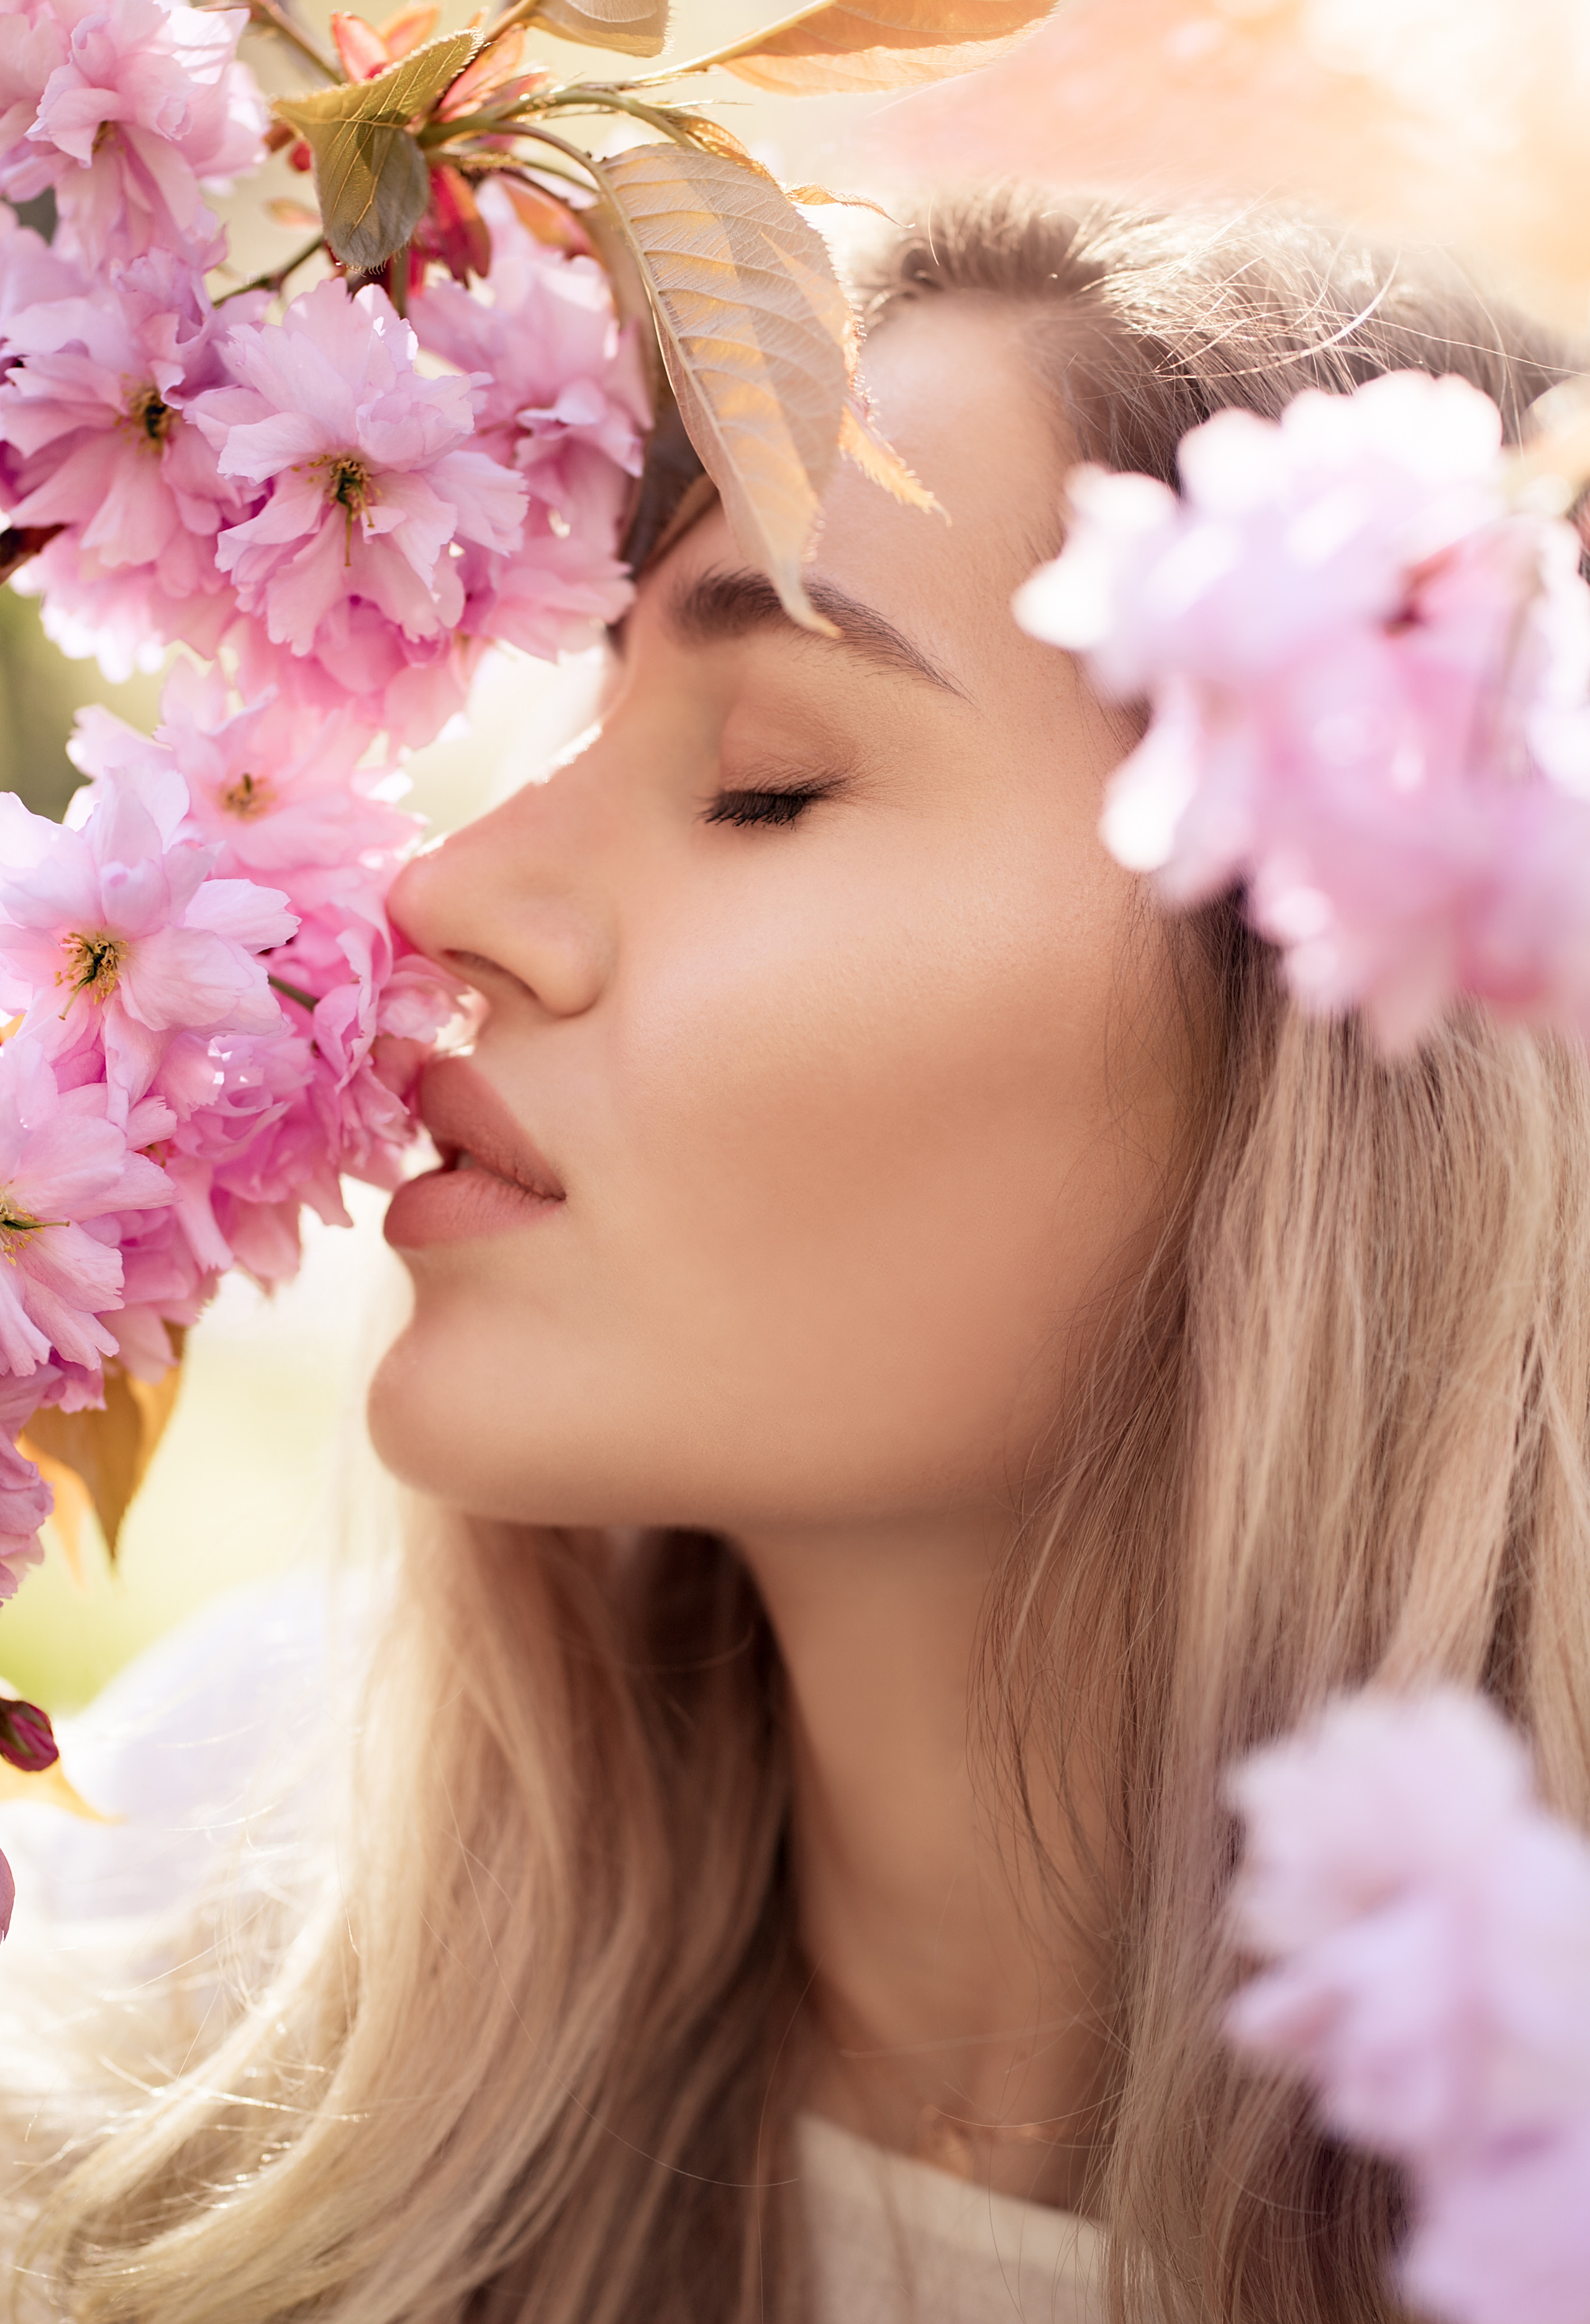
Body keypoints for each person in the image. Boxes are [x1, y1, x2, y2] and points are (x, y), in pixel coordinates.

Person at [5, 189, 1590, 2324]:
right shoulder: (199, 1913)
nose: (453, 891)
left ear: (1334, 1052)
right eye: (580, 713)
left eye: (763, 786)